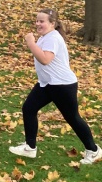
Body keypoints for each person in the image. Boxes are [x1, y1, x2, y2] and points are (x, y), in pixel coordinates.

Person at [9, 9, 101, 164]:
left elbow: (45, 59)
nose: (38, 24)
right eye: (37, 21)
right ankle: (30, 147)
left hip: (62, 85)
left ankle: (93, 150)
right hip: (47, 84)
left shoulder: (53, 38)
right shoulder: (46, 37)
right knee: (29, 108)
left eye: (42, 21)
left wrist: (30, 43)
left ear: (52, 23)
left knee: (72, 118)